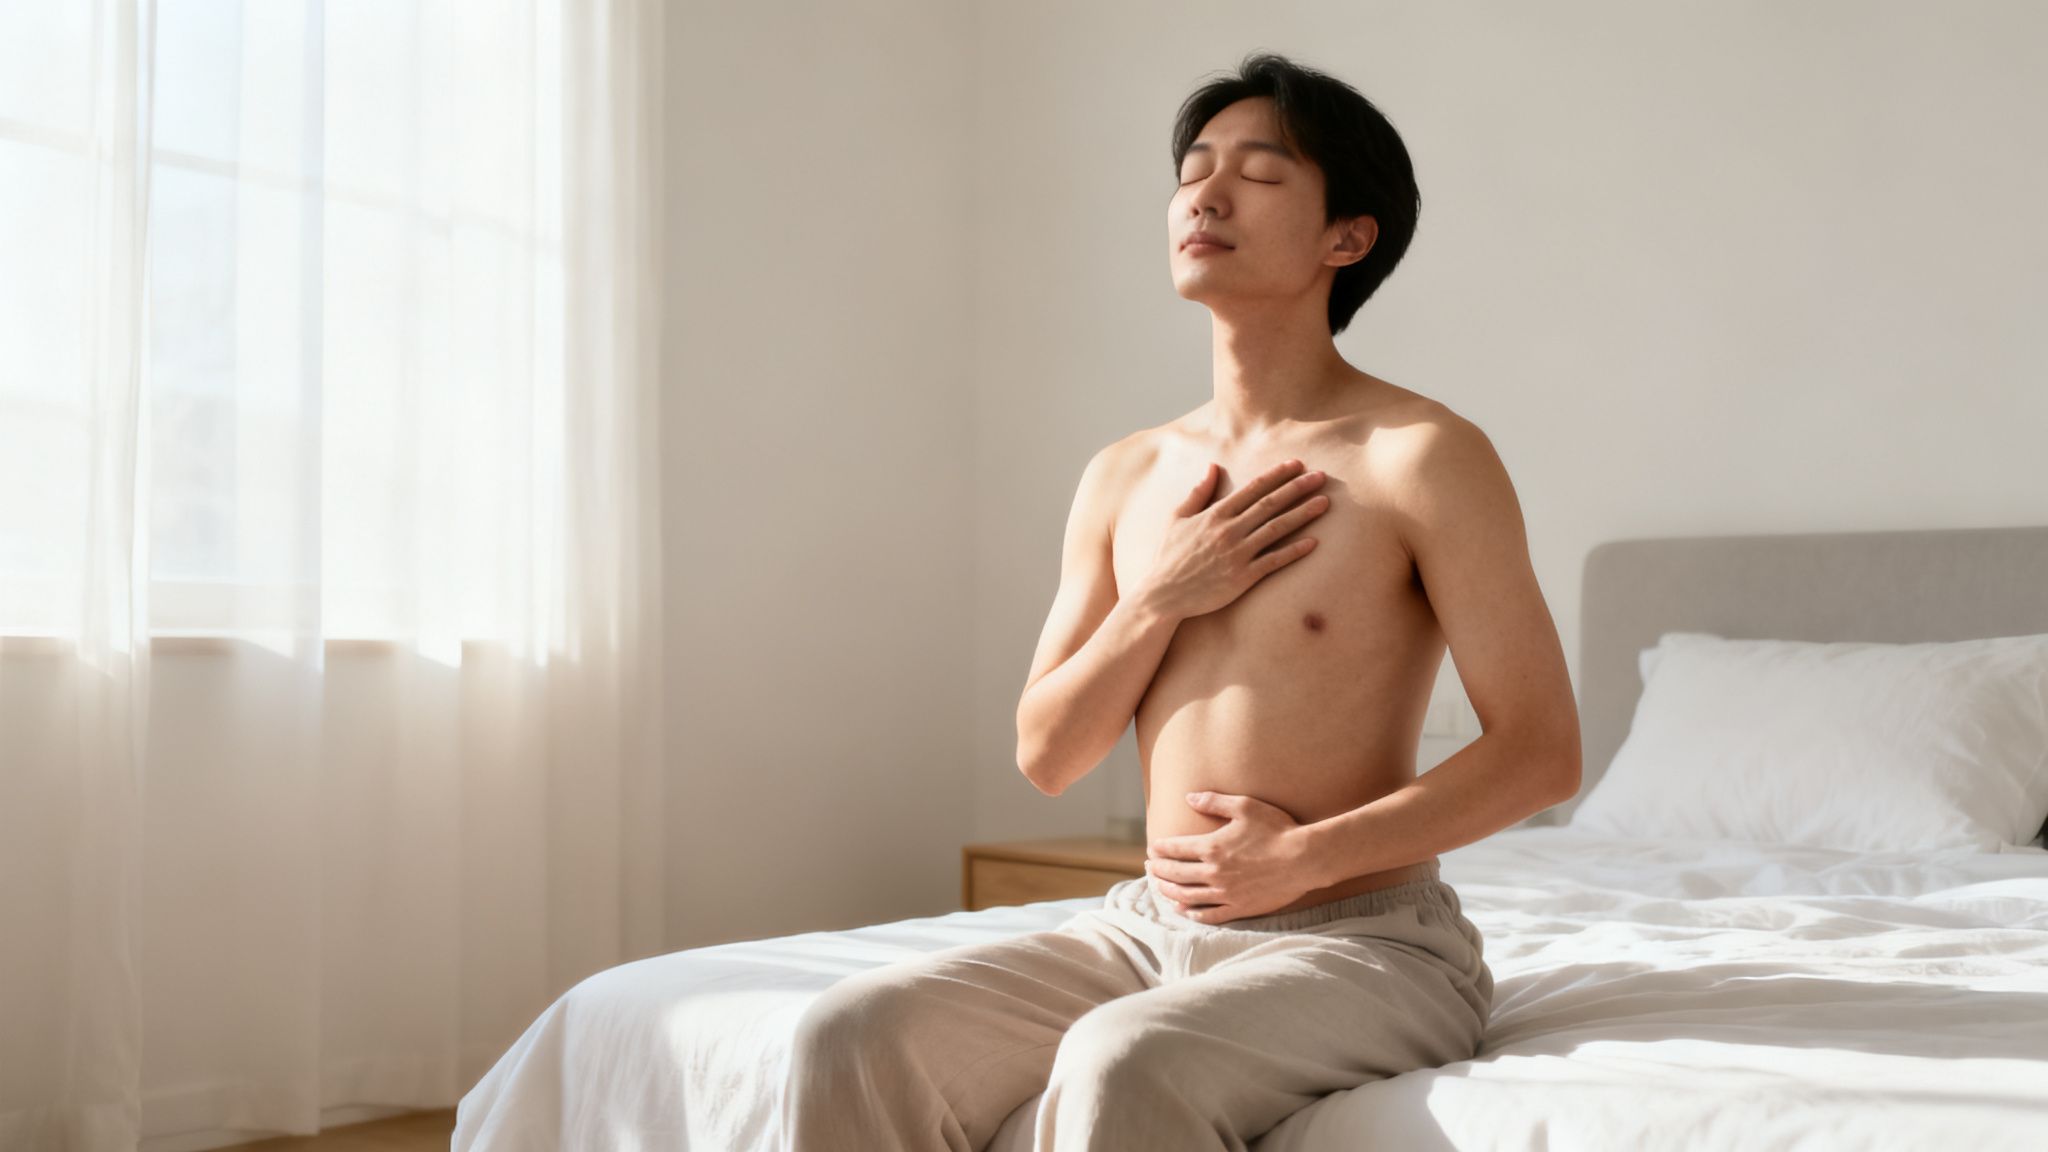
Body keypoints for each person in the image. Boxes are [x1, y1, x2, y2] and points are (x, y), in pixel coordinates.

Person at [782, 50, 1581, 1152]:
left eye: (1256, 174)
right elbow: (1048, 756)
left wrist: (1305, 859)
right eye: (1192, 169)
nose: (1203, 194)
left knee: (1124, 1059)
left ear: (1346, 237)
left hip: (1360, 942)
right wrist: (1159, 595)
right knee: (849, 1035)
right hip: (1144, 930)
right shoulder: (1123, 476)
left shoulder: (1419, 457)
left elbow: (1541, 752)